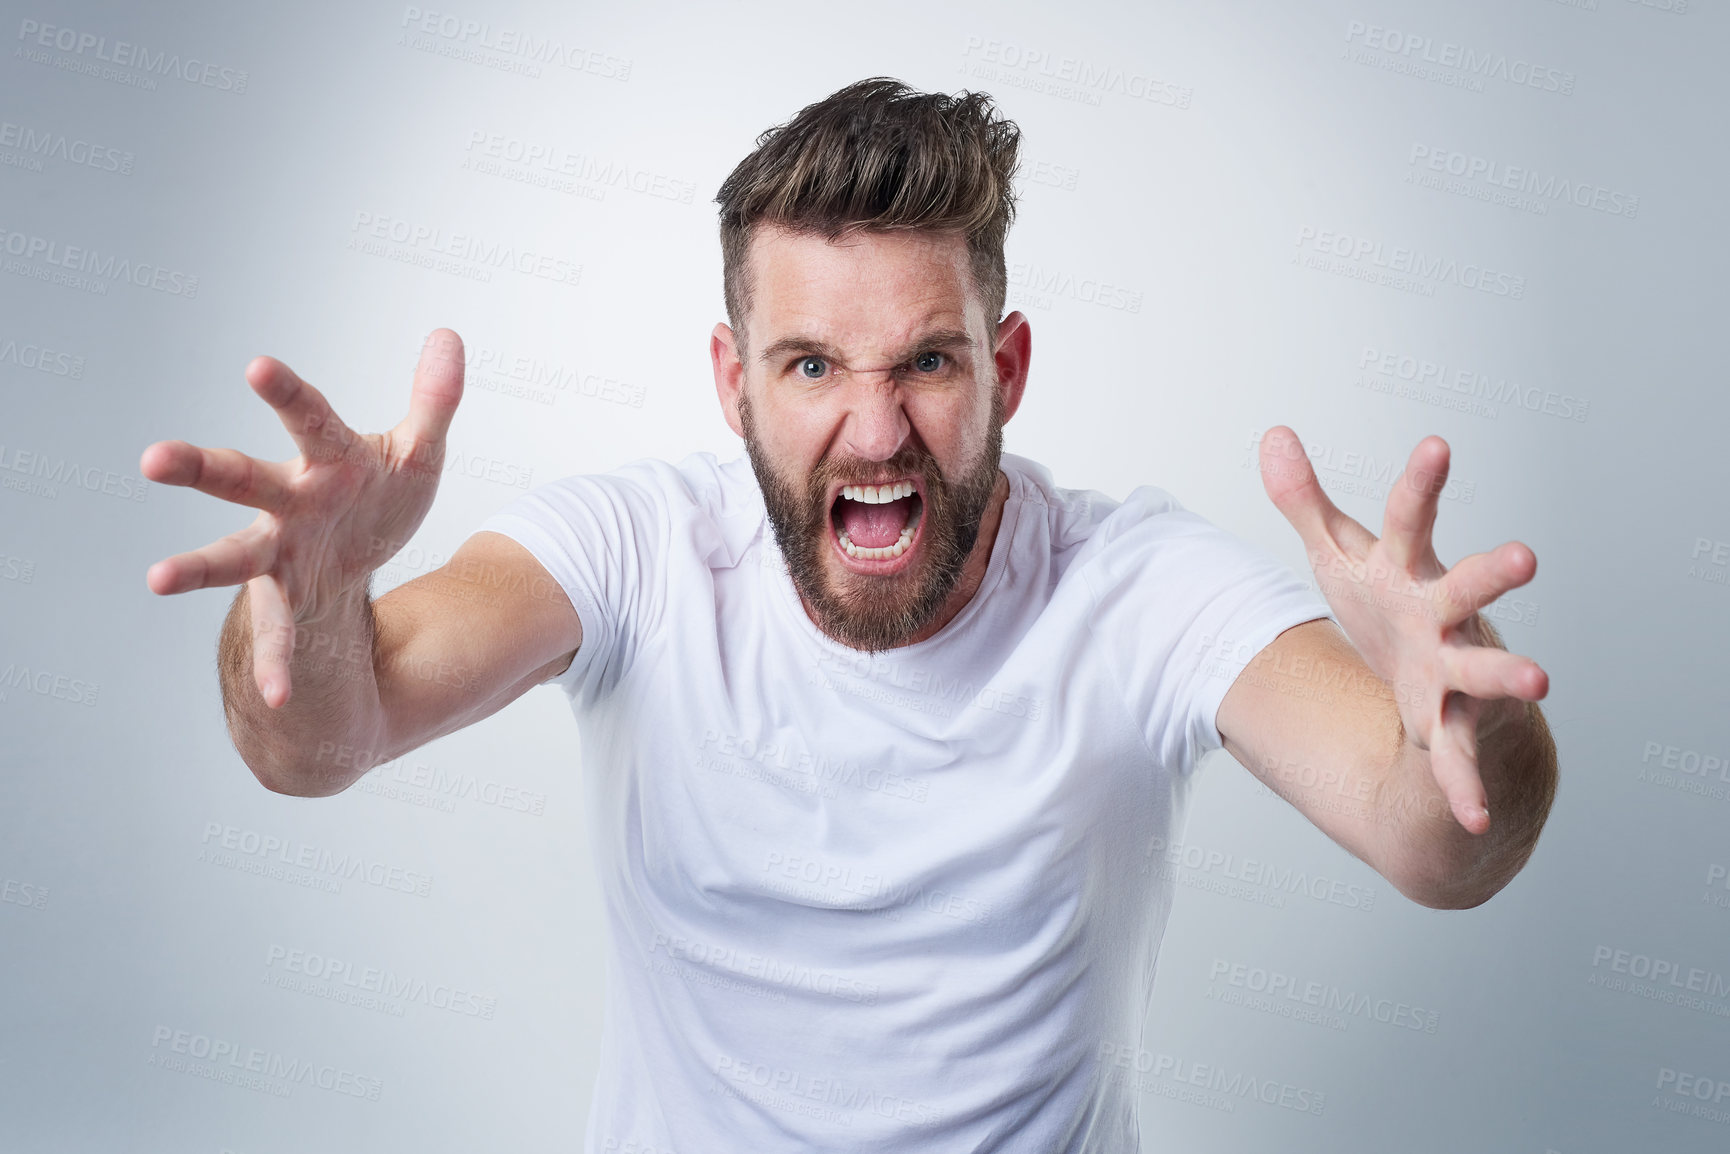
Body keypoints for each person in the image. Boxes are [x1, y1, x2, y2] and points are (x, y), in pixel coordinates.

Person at [141, 77, 1557, 1152]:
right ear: (732, 379)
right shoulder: (635, 548)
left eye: (927, 361)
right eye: (812, 363)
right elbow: (319, 740)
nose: (875, 430)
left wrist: (1462, 708)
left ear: (1005, 366)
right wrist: (315, 601)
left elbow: (1431, 841)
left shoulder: (1133, 588)